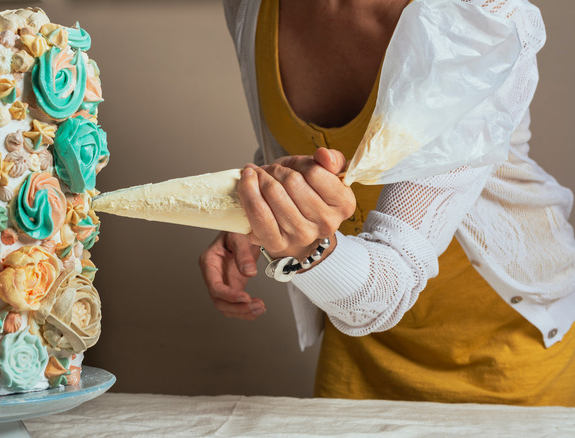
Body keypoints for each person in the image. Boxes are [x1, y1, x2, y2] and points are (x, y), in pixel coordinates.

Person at [199, 0, 575, 405]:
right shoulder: (251, 7)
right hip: (357, 331)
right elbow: (302, 151)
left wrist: (304, 247)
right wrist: (258, 215)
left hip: (508, 340)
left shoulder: (482, 16)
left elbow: (390, 279)